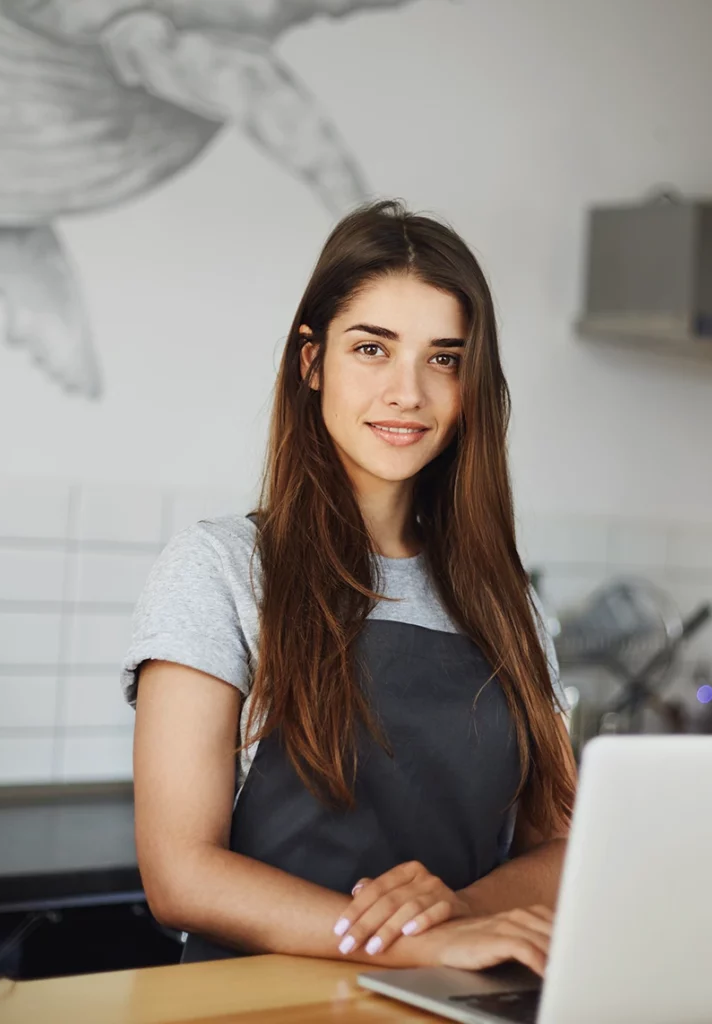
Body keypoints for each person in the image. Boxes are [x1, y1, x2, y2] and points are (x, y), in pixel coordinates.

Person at [121, 199, 577, 975]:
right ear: (311, 362)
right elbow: (180, 875)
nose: (408, 393)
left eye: (444, 358)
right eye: (373, 349)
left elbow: (563, 846)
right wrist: (417, 941)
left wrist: (455, 912)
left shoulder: (508, 602)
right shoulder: (220, 567)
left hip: (450, 998)